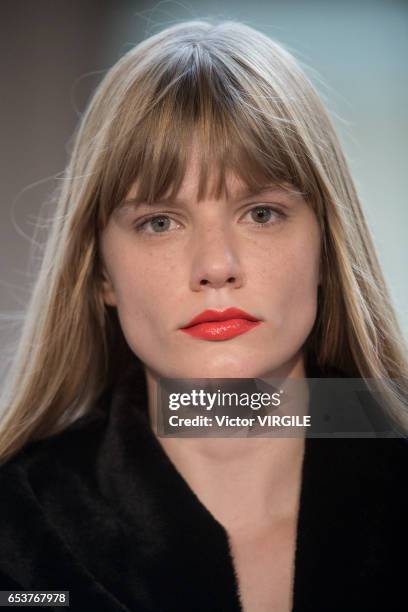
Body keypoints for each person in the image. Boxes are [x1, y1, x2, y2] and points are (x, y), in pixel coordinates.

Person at [0, 19, 407, 612]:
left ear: (327, 246)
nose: (216, 266)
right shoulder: (16, 536)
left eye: (261, 213)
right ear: (101, 272)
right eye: (159, 222)